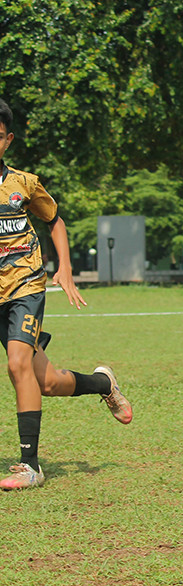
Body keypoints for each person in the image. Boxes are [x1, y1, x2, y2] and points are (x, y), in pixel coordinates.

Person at [0, 98, 132, 490]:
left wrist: (66, 268)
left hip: (25, 285)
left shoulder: (23, 183)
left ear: (7, 140)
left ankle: (30, 466)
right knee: (47, 382)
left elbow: (54, 221)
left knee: (17, 365)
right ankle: (103, 384)